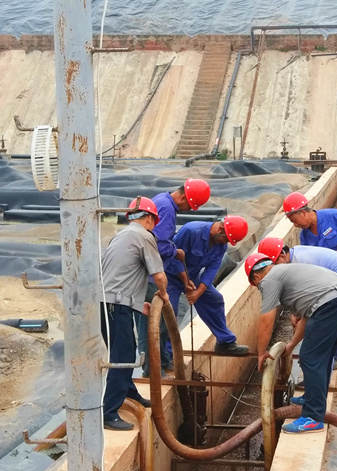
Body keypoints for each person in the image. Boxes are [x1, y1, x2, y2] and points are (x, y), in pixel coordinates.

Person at [245, 252, 337, 435]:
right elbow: (307, 316)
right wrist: (290, 344)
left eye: (257, 286)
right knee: (323, 354)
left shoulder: (269, 280)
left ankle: (313, 417)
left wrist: (261, 353)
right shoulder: (287, 272)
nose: (260, 288)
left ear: (256, 277)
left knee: (310, 358)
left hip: (332, 303)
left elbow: (266, 320)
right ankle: (311, 398)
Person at [100, 196, 170, 431]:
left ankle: (129, 393)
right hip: (115, 306)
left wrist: (139, 305)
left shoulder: (122, 234)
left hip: (108, 303)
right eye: (154, 222)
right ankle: (109, 412)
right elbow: (158, 275)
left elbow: (121, 276)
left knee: (124, 351)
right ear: (149, 218)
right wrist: (164, 296)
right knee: (122, 356)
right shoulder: (144, 236)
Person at [138, 178, 211, 377]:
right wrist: (175, 251)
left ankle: (163, 362)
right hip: (148, 275)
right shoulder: (167, 208)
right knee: (151, 324)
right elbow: (160, 245)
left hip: (152, 272)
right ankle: (152, 371)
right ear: (182, 197)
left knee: (160, 324)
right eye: (190, 205)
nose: (189, 210)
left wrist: (184, 278)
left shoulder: (164, 202)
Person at [258, 236, 337, 367]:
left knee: (325, 329)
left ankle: (334, 359)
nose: (272, 272)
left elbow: (315, 299)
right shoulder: (294, 255)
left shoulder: (301, 261)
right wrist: (297, 314)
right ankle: (326, 362)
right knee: (320, 324)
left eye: (273, 266)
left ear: (281, 256)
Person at [167, 215, 250, 355]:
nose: (225, 243)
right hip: (170, 275)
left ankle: (225, 342)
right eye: (226, 238)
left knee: (214, 299)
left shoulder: (221, 245)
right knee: (169, 311)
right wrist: (185, 280)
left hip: (192, 276)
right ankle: (167, 355)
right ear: (220, 229)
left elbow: (211, 270)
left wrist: (198, 292)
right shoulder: (191, 231)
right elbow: (172, 257)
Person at [282, 192, 337, 267]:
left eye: (294, 220)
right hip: (329, 278)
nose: (295, 225)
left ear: (303, 213)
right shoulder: (304, 236)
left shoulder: (333, 216)